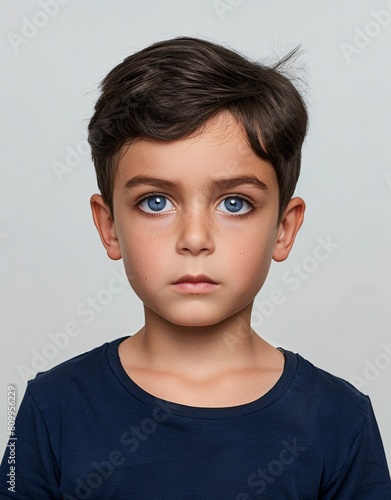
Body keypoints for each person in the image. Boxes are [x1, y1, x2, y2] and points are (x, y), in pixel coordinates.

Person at [1, 36, 390, 499]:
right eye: (156, 201)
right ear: (109, 227)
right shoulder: (53, 409)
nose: (194, 239)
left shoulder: (339, 419)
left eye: (234, 203)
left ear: (284, 229)